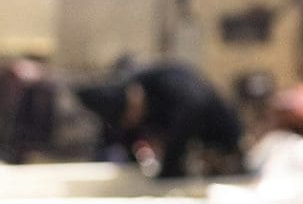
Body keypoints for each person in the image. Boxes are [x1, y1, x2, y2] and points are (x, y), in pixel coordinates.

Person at [75, 61, 244, 178]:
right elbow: (123, 139)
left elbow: (194, 106)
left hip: (220, 137)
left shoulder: (168, 81)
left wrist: (170, 164)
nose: (134, 121)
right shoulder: (121, 110)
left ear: (133, 97)